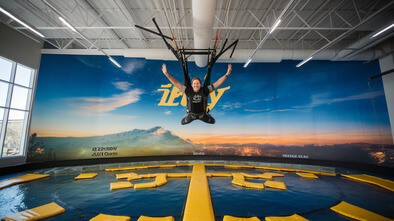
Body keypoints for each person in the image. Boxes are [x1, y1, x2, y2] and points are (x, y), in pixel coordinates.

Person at [161, 63, 232, 125]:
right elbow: (176, 83)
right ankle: (187, 114)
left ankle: (208, 114)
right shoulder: (188, 91)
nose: (196, 85)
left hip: (202, 114)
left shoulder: (205, 90)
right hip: (191, 115)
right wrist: (167, 74)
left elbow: (217, 83)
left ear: (200, 84)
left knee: (213, 121)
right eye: (194, 83)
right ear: (192, 85)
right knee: (182, 122)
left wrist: (227, 74)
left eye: (197, 83)